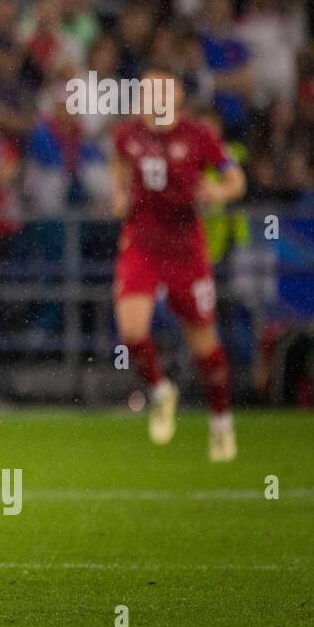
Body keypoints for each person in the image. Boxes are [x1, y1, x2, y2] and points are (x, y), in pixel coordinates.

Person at [111, 70, 247, 462]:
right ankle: (160, 390)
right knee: (132, 332)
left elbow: (236, 178)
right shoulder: (128, 136)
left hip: (187, 248)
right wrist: (119, 197)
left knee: (203, 343)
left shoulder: (199, 136)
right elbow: (119, 170)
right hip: (142, 243)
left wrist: (219, 191)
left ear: (175, 98)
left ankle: (220, 422)